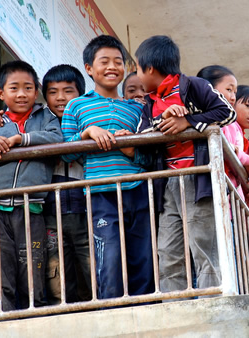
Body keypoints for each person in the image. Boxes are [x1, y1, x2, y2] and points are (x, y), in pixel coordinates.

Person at [135, 35, 236, 294]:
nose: (136, 76)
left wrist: (188, 121)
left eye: (137, 69)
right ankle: (174, 310)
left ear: (149, 68)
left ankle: (214, 308)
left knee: (204, 248)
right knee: (168, 252)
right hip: (168, 184)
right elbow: (144, 134)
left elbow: (227, 112)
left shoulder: (193, 86)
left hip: (197, 179)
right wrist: (159, 122)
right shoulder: (151, 102)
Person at [61, 35, 154, 300]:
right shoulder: (76, 106)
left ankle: (144, 313)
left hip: (137, 190)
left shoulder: (138, 108)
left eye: (118, 61)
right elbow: (67, 155)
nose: (112, 67)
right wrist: (87, 132)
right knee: (109, 257)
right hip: (100, 192)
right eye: (104, 61)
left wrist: (130, 149)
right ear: (89, 68)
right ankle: (111, 314)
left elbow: (149, 158)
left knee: (143, 257)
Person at [0, 60, 63, 311]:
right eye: (14, 88)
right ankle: (4, 320)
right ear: (1, 93)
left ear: (37, 92)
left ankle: (33, 322)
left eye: (28, 88)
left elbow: (56, 138)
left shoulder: (46, 116)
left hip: (31, 206)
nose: (22, 94)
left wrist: (21, 139)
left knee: (33, 270)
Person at [39, 64, 92, 304]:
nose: (60, 98)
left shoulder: (89, 121)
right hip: (50, 212)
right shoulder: (39, 126)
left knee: (91, 271)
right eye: (53, 91)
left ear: (81, 93)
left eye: (68, 91)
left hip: (85, 208)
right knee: (57, 278)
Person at [197, 66, 249, 200]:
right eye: (229, 90)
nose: (232, 97)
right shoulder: (212, 118)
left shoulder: (233, 125)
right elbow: (223, 145)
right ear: (208, 88)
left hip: (226, 192)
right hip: (210, 186)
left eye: (235, 92)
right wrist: (247, 160)